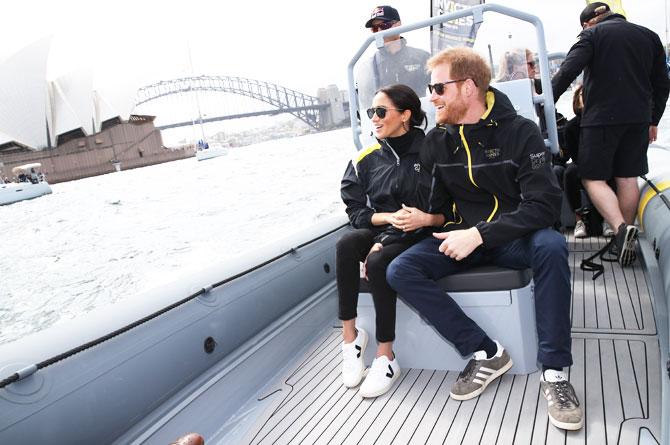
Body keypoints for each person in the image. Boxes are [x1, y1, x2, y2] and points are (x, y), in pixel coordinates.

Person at [386, 47, 583, 431]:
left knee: (552, 245)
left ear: (469, 87)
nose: (432, 97)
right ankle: (485, 351)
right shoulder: (438, 141)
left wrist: (479, 234)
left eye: (438, 88)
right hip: (462, 237)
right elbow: (432, 209)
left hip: (512, 239)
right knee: (400, 269)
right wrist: (386, 239)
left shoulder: (520, 132)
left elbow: (543, 207)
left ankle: (555, 374)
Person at [338, 84, 448, 398]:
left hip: (421, 230)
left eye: (381, 111)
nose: (374, 118)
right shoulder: (367, 158)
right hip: (387, 226)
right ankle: (351, 340)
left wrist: (388, 238)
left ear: (406, 116)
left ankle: (386, 356)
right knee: (346, 245)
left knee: (377, 259)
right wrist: (386, 222)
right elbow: (357, 211)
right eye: (371, 111)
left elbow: (444, 208)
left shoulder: (432, 151)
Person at [552, 2, 670, 265]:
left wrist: (547, 100)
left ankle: (619, 229)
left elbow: (567, 72)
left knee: (592, 178)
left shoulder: (591, 36)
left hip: (601, 119)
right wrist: (653, 120)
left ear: (587, 23)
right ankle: (621, 242)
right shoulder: (649, 36)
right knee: (627, 176)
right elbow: (663, 85)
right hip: (638, 119)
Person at [356, 6, 431, 108]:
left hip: (419, 118)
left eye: (384, 26)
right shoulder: (369, 67)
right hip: (389, 121)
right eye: (374, 28)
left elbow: (438, 88)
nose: (379, 31)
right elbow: (366, 104)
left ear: (398, 25)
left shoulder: (422, 57)